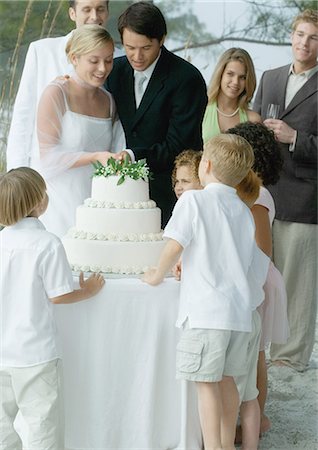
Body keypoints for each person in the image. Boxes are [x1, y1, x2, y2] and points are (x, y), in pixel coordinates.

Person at [143, 134, 269, 450]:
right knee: (229, 384)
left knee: (206, 385)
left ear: (206, 166)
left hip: (207, 314)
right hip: (238, 317)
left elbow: (174, 244)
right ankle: (225, 445)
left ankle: (212, 447)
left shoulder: (193, 200)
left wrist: (157, 274)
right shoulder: (243, 210)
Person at [0, 167, 105, 450]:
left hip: (2, 352)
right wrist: (88, 290)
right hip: (36, 353)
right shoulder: (47, 243)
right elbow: (59, 295)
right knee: (43, 426)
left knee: (1, 427)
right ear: (37, 203)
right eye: (44, 192)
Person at [253, 9, 317, 372]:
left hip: (306, 198)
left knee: (297, 282)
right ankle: (262, 348)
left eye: (312, 37)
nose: (303, 43)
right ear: (291, 36)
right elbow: (257, 129)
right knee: (263, 275)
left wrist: (296, 139)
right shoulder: (271, 76)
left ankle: (291, 357)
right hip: (265, 195)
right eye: (299, 34)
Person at [106, 1, 208, 226]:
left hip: (167, 196)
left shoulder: (187, 79)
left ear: (161, 40)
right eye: (130, 47)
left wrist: (133, 156)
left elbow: (180, 145)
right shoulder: (114, 71)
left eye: (145, 48)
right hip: (118, 197)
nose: (137, 56)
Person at [34, 24, 125, 237]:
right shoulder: (56, 93)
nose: (103, 68)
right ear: (74, 58)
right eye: (94, 61)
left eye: (109, 60)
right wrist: (95, 157)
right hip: (60, 203)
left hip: (97, 203)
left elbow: (114, 149)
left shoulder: (109, 101)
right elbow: (47, 158)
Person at [230, 122, 289, 445]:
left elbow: (262, 249)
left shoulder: (259, 194)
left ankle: (259, 419)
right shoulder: (247, 190)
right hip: (250, 275)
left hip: (258, 278)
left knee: (256, 355)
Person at [6, 0, 110, 170]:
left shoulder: (117, 59)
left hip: (97, 180)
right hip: (45, 178)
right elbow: (22, 117)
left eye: (100, 9)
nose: (94, 16)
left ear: (107, 12)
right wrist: (17, 175)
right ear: (72, 13)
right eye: (87, 10)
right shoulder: (42, 51)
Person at [202, 48, 261, 143]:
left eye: (242, 77)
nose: (235, 82)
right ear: (220, 74)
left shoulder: (253, 120)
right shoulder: (201, 110)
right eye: (230, 74)